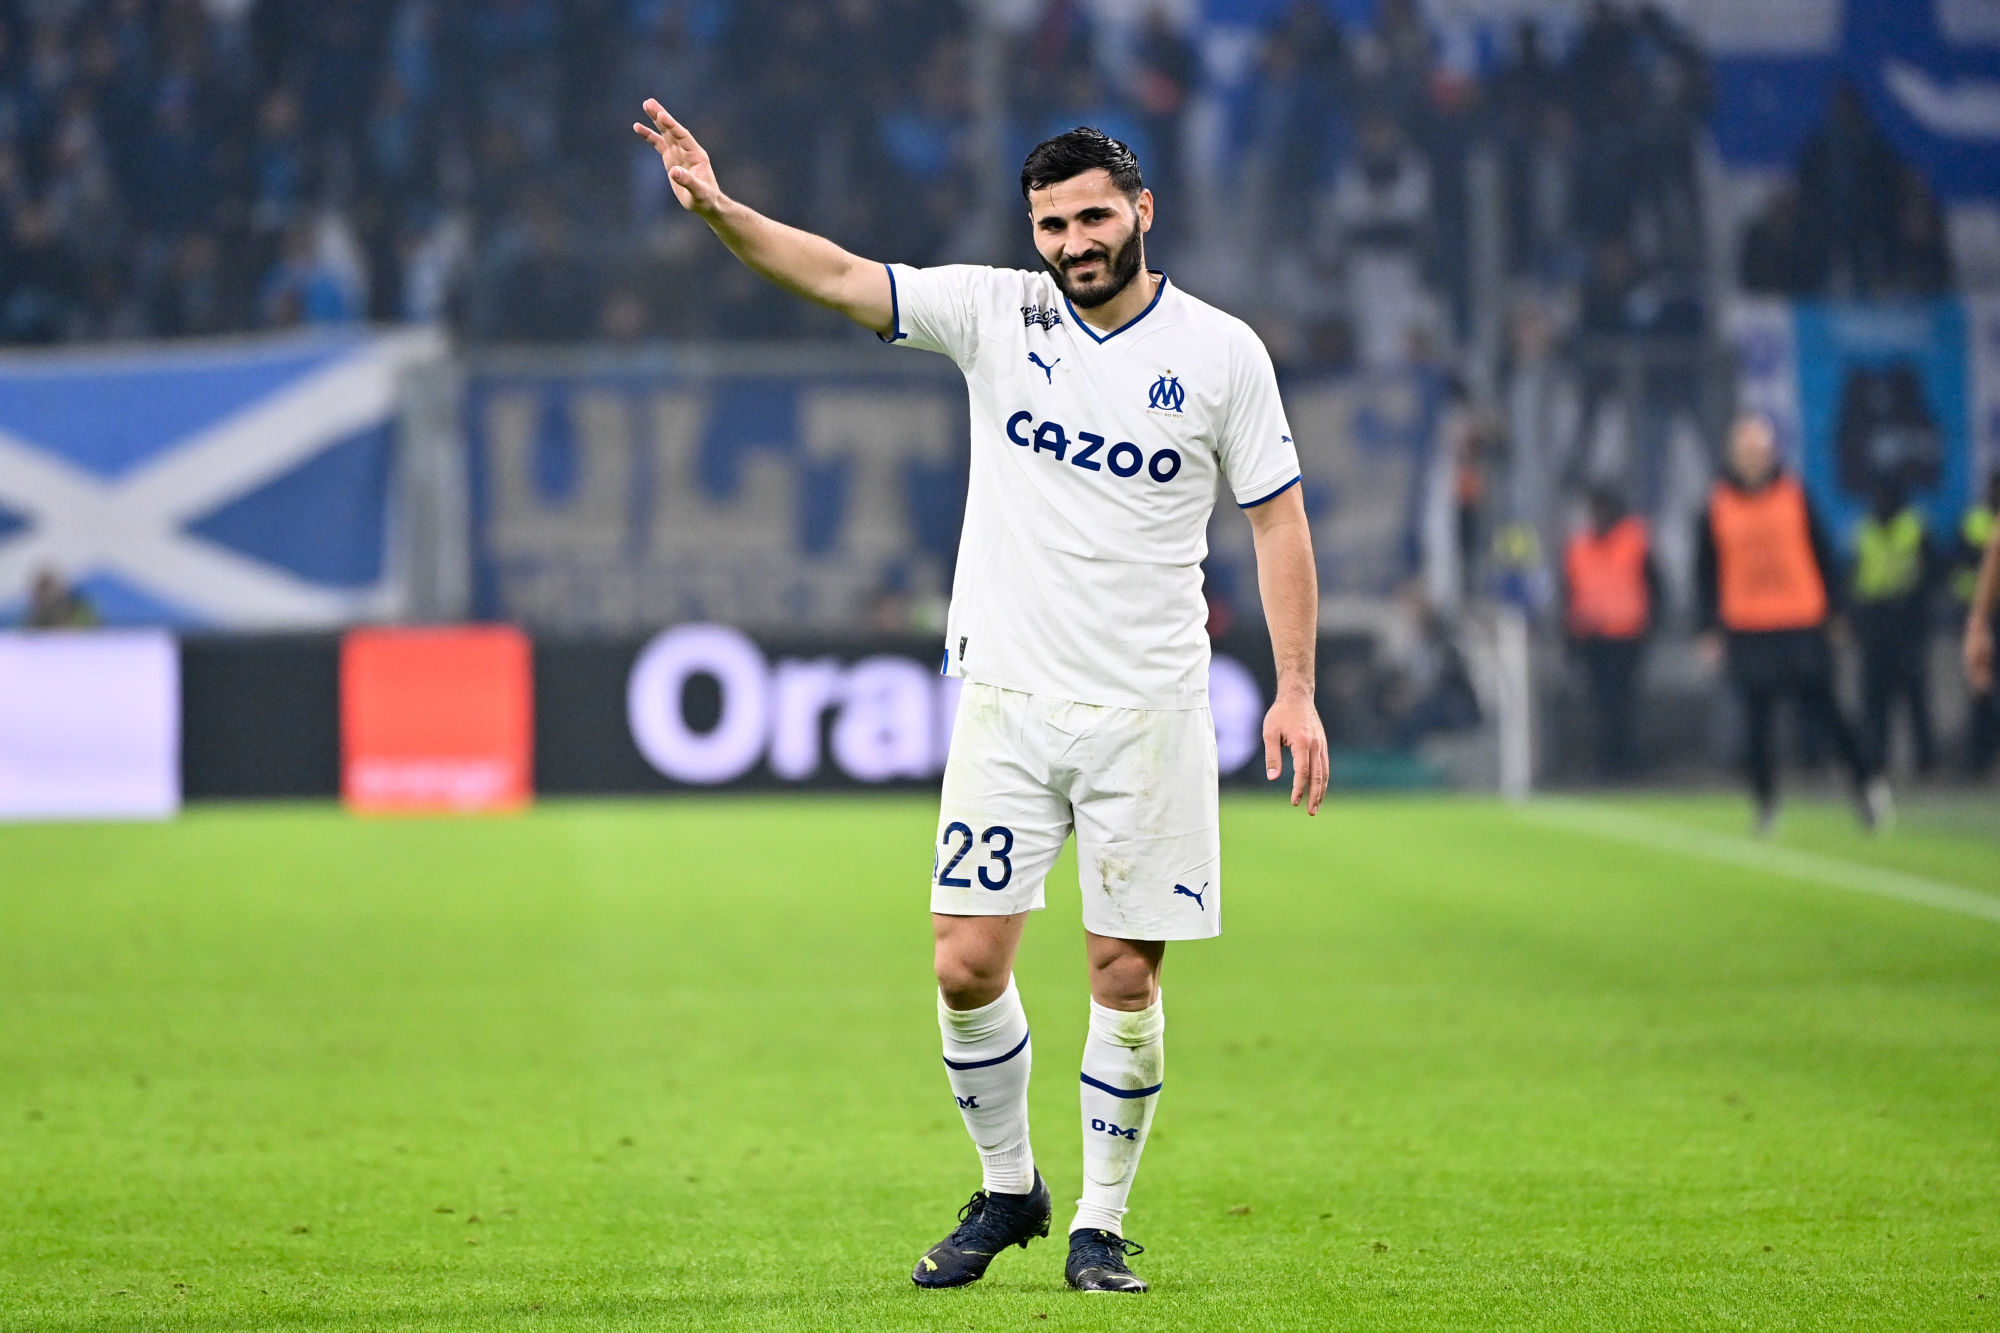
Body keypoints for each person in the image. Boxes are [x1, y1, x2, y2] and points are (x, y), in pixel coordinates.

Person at [633, 107, 1328, 1294]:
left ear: (1141, 211)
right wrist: (720, 211)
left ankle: (1099, 1226)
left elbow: (1277, 521)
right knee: (962, 963)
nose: (1074, 243)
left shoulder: (1221, 354)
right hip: (1005, 695)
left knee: (1123, 977)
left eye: (1093, 217)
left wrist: (1295, 690)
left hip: (1148, 707)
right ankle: (1011, 1189)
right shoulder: (997, 313)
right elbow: (837, 275)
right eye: (1051, 225)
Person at [1694, 414, 1886, 835]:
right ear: (1732, 455)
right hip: (1747, 625)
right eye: (1745, 450)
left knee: (1828, 712)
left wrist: (1836, 612)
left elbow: (1823, 554)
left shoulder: (1794, 494)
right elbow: (1705, 571)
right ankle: (1765, 804)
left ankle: (1866, 785)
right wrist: (1707, 628)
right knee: (1756, 724)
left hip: (1801, 621)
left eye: (1758, 449)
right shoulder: (1717, 504)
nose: (1752, 458)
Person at [1562, 488, 1661, 779]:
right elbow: (1570, 594)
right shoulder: (1579, 546)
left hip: (1627, 635)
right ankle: (1605, 760)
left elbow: (1654, 586)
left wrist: (1650, 626)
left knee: (1624, 702)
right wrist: (1572, 640)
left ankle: (1626, 759)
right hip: (1592, 637)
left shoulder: (1634, 540)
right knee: (1601, 704)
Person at [1848, 478, 1939, 775]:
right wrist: (1856, 621)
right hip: (1875, 626)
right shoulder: (1864, 529)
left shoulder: (1915, 526)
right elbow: (1853, 577)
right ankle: (1875, 760)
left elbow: (1932, 572)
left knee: (1915, 698)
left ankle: (1926, 762)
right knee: (1874, 701)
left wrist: (1919, 615)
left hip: (1907, 624)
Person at [1952, 474, 1999, 774]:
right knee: (1984, 692)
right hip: (1993, 615)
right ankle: (1981, 759)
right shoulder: (1974, 522)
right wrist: (1979, 623)